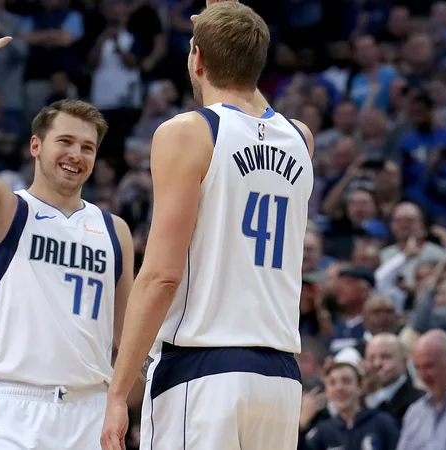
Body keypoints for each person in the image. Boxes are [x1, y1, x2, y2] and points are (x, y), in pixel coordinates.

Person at [101, 1, 314, 449]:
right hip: (279, 380)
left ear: (197, 59)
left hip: (203, 370)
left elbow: (160, 275)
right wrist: (234, 29)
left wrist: (119, 392)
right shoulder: (300, 138)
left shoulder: (186, 132)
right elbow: (251, 103)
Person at [0, 0, 135, 449]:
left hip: (91, 410)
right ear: (36, 146)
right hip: (15, 408)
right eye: (65, 142)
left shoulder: (114, 230)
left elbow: (127, 336)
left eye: (88, 148)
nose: (76, 155)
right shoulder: (3, 209)